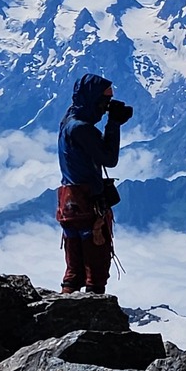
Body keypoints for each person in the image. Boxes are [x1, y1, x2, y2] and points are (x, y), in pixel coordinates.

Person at [56, 72, 132, 294]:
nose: (106, 106)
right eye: (104, 101)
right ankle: (94, 318)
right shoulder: (82, 128)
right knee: (96, 267)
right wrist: (114, 124)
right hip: (89, 203)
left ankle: (64, 313)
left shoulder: (68, 122)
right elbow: (109, 159)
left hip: (68, 203)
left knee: (74, 268)